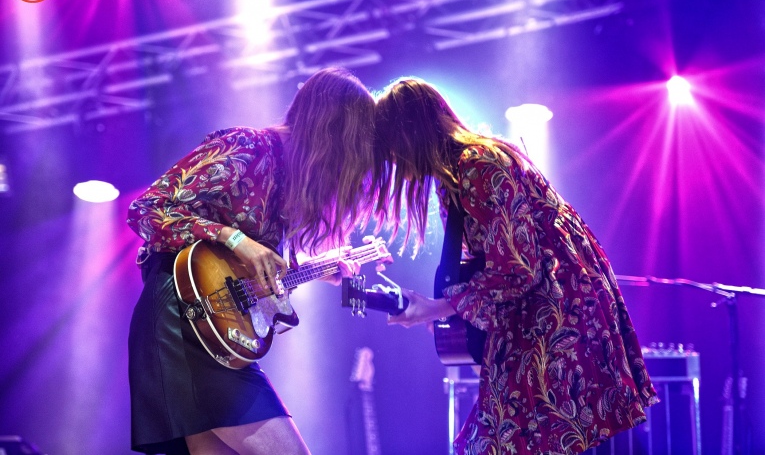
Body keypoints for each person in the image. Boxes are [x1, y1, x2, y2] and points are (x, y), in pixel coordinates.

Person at [373, 77, 659, 455]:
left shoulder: (477, 165)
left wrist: (442, 305)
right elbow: (490, 264)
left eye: (390, 142)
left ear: (409, 132)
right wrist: (451, 308)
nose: (389, 157)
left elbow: (518, 268)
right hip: (539, 316)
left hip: (559, 315)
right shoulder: (455, 176)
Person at [126, 67, 376, 455]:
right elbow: (147, 210)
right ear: (334, 130)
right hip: (182, 321)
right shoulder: (247, 147)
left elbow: (240, 277)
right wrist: (235, 238)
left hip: (219, 333)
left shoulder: (290, 184)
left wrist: (316, 267)